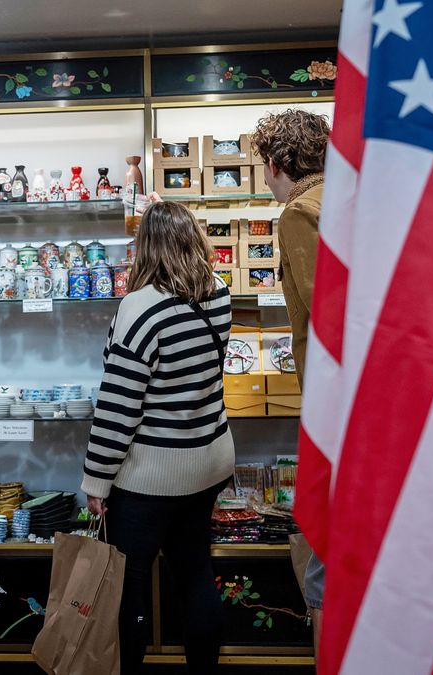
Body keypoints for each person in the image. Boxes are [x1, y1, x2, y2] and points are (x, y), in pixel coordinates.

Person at [82, 200, 235, 674]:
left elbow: (118, 408)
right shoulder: (219, 295)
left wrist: (96, 481)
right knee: (194, 571)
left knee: (128, 585)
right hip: (208, 459)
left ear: (145, 247)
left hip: (152, 474)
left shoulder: (140, 308)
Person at [251, 107, 330, 648]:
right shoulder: (351, 197)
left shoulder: (300, 213)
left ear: (277, 164)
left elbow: (329, 314)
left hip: (339, 401)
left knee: (328, 551)